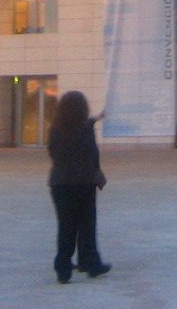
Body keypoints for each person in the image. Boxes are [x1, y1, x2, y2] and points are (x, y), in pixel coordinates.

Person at [47, 90, 110, 283]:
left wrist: (96, 119)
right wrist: (96, 172)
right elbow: (92, 153)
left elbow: (53, 152)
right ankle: (90, 262)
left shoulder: (55, 128)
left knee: (66, 226)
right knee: (86, 224)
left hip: (60, 183)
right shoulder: (85, 128)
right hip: (83, 182)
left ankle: (63, 268)